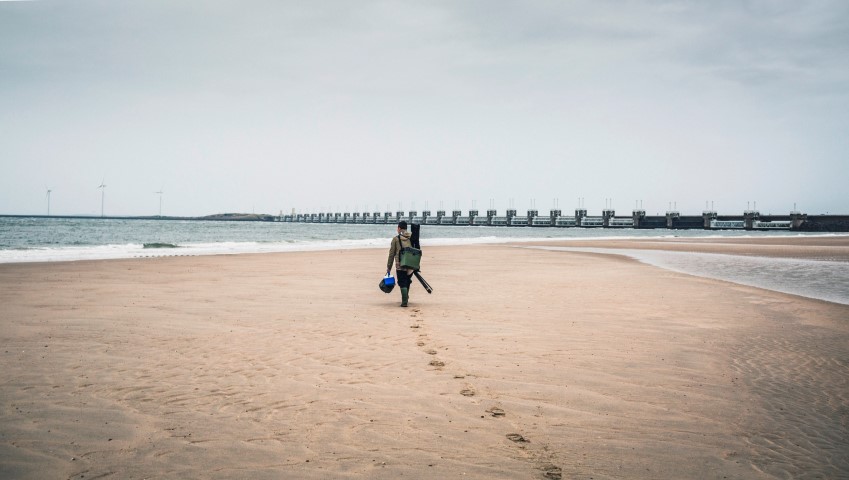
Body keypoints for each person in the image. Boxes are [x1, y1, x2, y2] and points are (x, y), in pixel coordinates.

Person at [387, 220, 414, 307]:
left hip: (400, 265)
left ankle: (404, 301)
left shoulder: (396, 239)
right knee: (407, 281)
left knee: (402, 282)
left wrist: (389, 267)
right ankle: (406, 297)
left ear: (399, 228)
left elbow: (391, 254)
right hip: (411, 264)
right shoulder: (411, 237)